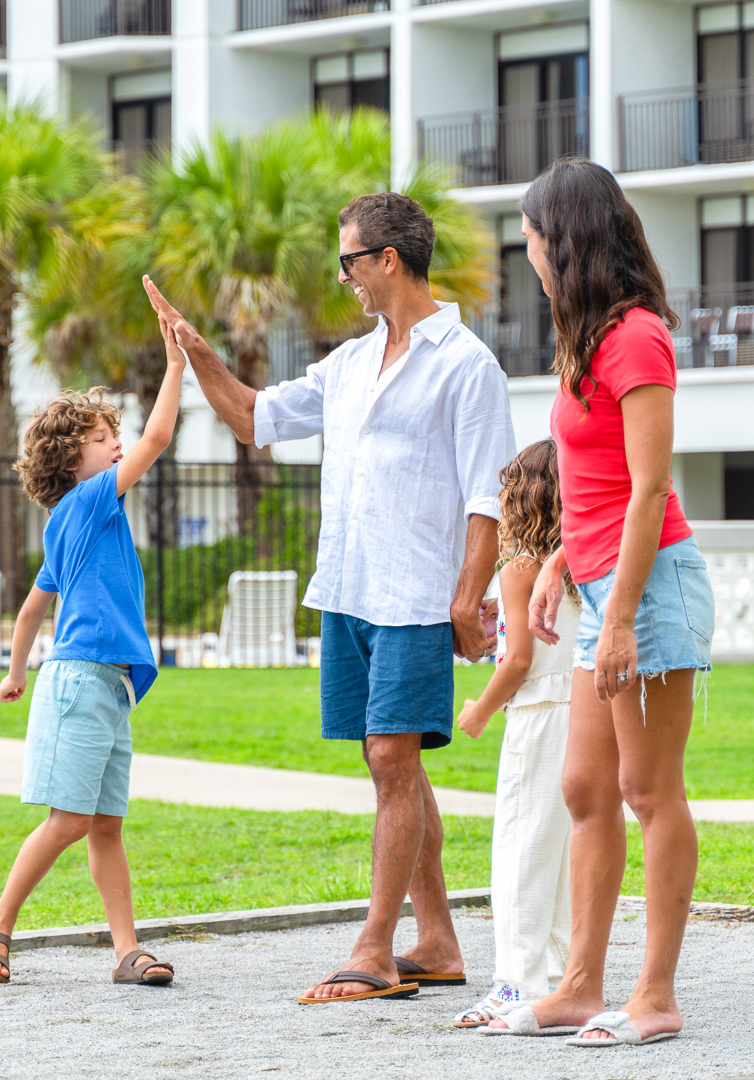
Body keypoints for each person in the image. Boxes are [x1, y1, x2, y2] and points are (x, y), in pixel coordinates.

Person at [143, 191, 517, 1005]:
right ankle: (440, 941)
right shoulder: (346, 367)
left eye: (348, 259)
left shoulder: (466, 366)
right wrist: (198, 353)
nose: (342, 275)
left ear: (388, 260)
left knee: (392, 758)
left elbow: (490, 496)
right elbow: (250, 419)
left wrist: (468, 596)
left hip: (416, 597)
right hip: (347, 590)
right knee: (393, 764)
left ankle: (377, 949)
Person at [482, 159, 715, 1048]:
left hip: (648, 588)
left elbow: (651, 489)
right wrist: (555, 561)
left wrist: (614, 614)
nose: (528, 253)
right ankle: (580, 986)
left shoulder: (638, 337)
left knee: (647, 790)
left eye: (534, 237)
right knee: (584, 786)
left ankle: (653, 997)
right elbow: (589, 474)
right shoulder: (585, 338)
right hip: (600, 578)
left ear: (566, 239)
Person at [0, 318, 191, 990]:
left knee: (105, 824)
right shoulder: (90, 501)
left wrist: (13, 672)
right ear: (72, 460)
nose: (116, 445)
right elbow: (157, 438)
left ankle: (127, 951)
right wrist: (176, 365)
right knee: (71, 819)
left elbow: (35, 606)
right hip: (83, 680)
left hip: (104, 682)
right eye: (101, 439)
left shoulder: (82, 519)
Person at [451, 440, 579, 1029]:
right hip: (581, 714)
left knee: (520, 849)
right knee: (559, 851)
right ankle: (554, 970)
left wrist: (480, 709)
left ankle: (515, 982)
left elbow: (520, 661)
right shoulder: (578, 563)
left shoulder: (519, 567)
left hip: (536, 717)